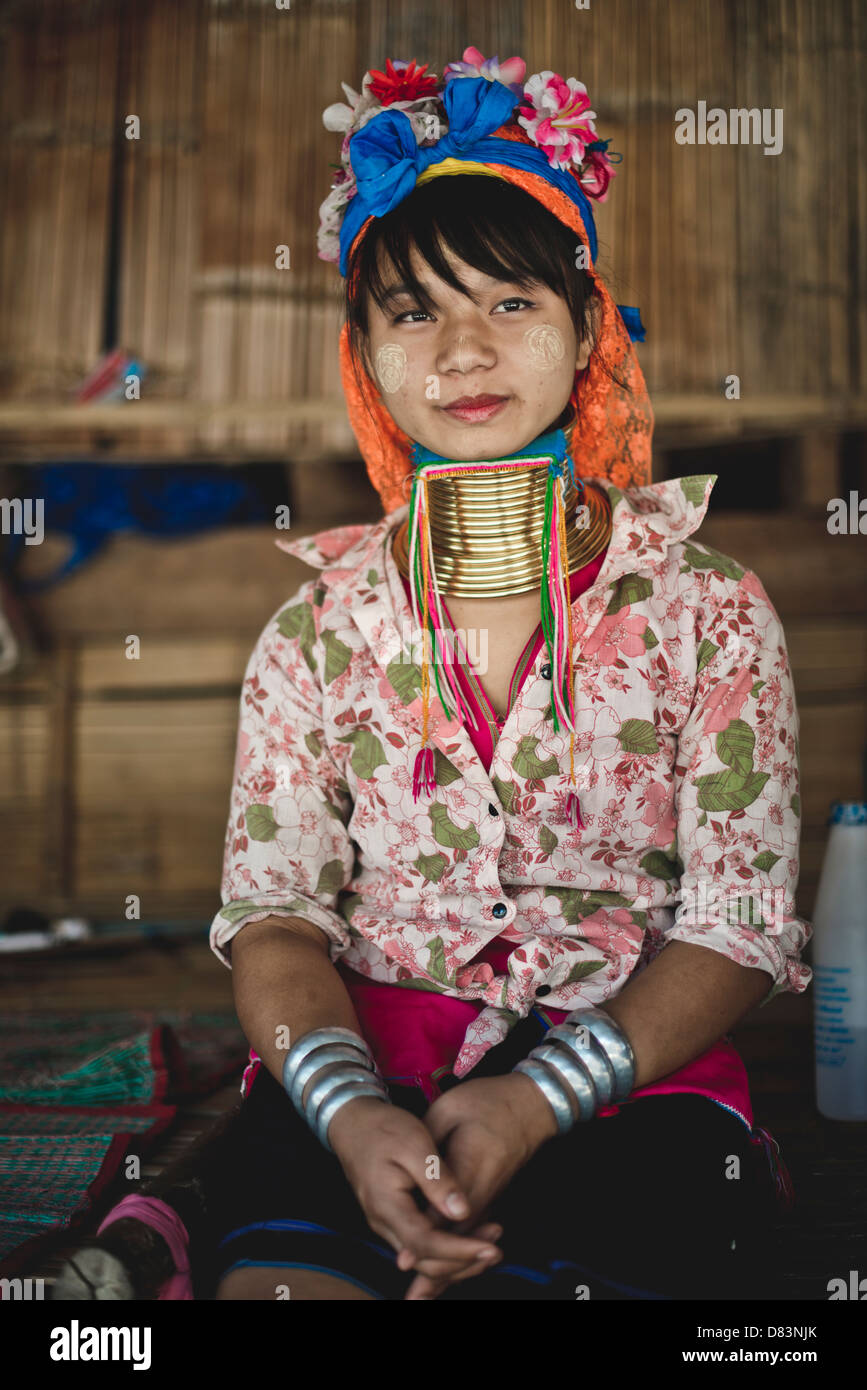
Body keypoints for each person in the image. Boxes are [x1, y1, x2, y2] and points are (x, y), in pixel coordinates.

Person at [59, 48, 810, 1303]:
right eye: (416, 311)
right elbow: (280, 918)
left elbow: (737, 927)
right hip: (363, 1073)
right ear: (366, 356)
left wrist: (535, 1099)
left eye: (512, 303)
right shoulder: (315, 634)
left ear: (589, 334)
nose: (463, 350)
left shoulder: (710, 611)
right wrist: (350, 1116)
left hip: (633, 1074)